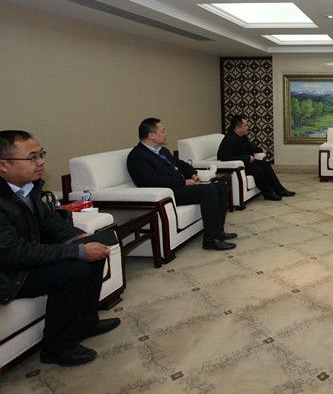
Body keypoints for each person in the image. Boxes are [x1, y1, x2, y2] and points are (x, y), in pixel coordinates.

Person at [0, 130, 120, 366]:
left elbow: (48, 222)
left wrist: (77, 238)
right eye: (32, 157)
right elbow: (11, 253)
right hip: (9, 273)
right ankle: (56, 347)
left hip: (26, 258)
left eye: (41, 154)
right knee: (75, 270)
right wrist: (77, 251)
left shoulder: (28, 187)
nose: (41, 162)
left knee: (93, 251)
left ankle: (86, 323)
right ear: (3, 165)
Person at [127, 118, 236, 251]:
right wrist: (183, 182)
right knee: (208, 190)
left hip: (181, 186)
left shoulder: (162, 151)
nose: (165, 134)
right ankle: (211, 240)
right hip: (169, 193)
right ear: (151, 135)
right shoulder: (138, 156)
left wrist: (192, 174)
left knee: (221, 187)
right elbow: (152, 180)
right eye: (162, 131)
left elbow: (180, 164)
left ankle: (219, 232)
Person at [217, 115, 294, 200]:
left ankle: (280, 190)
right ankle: (268, 194)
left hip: (246, 163)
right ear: (237, 128)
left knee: (265, 164)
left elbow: (250, 146)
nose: (247, 127)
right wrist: (246, 158)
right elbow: (223, 157)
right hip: (239, 166)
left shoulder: (242, 137)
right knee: (258, 169)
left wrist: (260, 150)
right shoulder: (229, 139)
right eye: (245, 125)